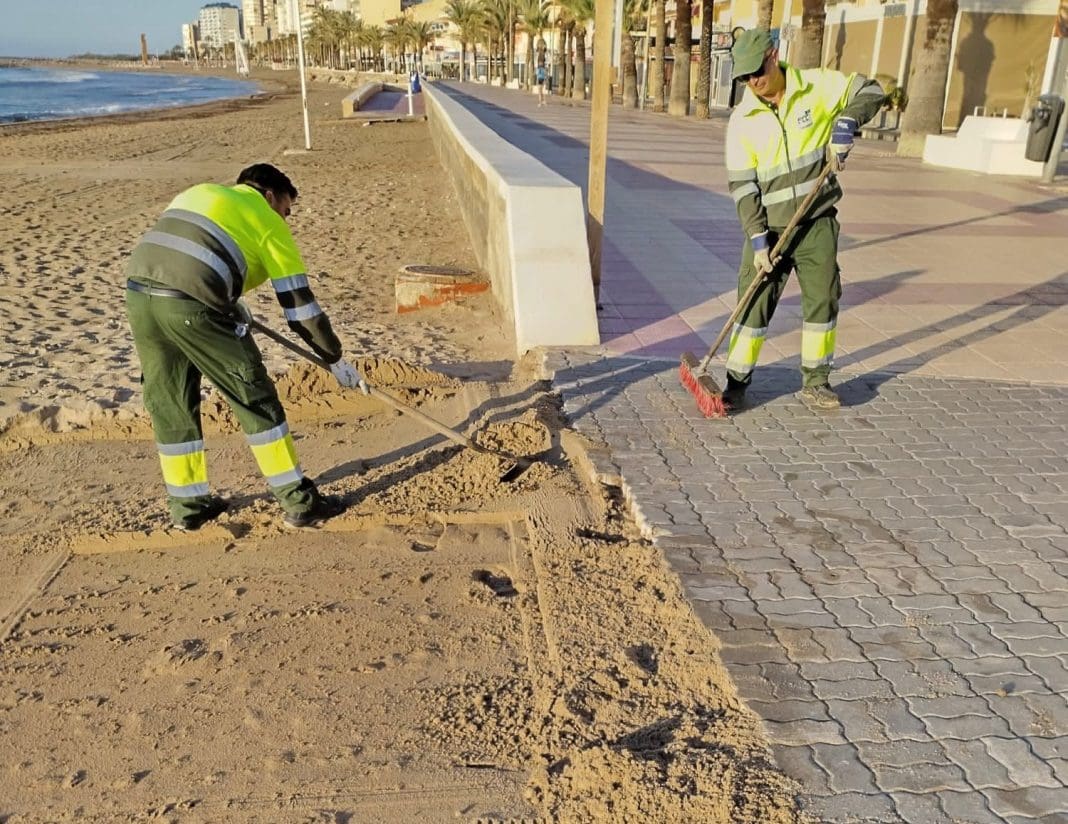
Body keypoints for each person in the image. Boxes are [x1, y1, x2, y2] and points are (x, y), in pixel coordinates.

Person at [124, 163, 367, 531]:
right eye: (287, 210)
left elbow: (190, 253)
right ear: (270, 196)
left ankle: (189, 508)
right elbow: (300, 308)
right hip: (192, 306)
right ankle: (299, 502)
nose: (286, 219)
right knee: (253, 394)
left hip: (140, 295)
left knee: (170, 400)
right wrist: (333, 356)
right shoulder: (268, 221)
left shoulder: (200, 192)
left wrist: (227, 304)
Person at [723, 29, 884, 411]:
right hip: (771, 229)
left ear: (773, 55)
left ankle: (816, 381)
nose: (754, 82)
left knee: (823, 299)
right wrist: (758, 240)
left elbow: (872, 90)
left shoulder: (816, 86)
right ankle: (735, 383)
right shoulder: (742, 119)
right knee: (753, 303)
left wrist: (846, 122)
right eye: (745, 77)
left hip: (815, 220)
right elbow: (744, 188)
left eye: (757, 71)